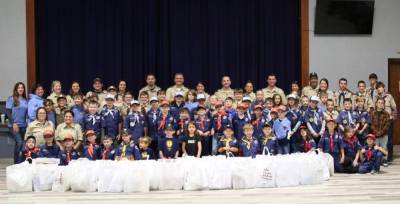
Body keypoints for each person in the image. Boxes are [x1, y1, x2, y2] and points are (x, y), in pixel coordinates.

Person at [373, 81, 397, 162]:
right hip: (379, 121)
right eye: (378, 88)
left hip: (388, 120)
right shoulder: (375, 97)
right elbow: (373, 107)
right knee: (380, 139)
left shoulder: (389, 96)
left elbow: (394, 108)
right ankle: (380, 158)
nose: (379, 89)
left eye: (381, 87)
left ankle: (389, 157)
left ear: (383, 88)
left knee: (389, 139)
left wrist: (392, 117)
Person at [6, 82, 28, 163]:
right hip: (13, 125)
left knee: (21, 144)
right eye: (19, 87)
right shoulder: (11, 99)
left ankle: (21, 161)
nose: (21, 89)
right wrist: (14, 123)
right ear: (16, 89)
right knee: (19, 142)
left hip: (23, 125)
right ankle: (16, 162)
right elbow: (8, 112)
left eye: (22, 87)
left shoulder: (25, 100)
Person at [369, 97, 391, 167]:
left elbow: (387, 125)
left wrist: (380, 133)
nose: (380, 104)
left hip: (384, 134)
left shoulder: (386, 114)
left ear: (384, 104)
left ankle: (384, 161)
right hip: (374, 135)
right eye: (379, 103)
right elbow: (371, 124)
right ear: (376, 104)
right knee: (375, 148)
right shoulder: (372, 113)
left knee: (384, 148)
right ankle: (376, 160)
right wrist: (376, 133)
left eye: (382, 103)